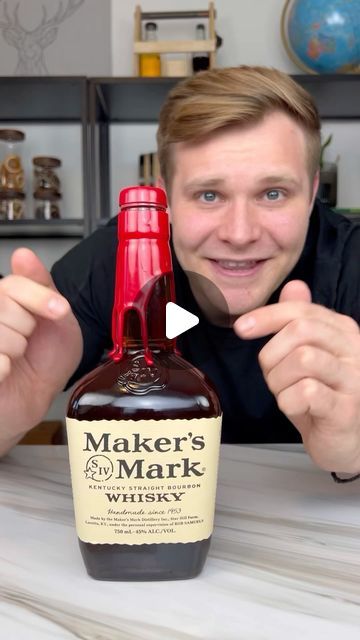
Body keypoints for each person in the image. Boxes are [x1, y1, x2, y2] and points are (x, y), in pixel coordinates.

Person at [0, 66, 359, 478]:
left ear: (313, 193)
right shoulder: (126, 254)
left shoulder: (351, 262)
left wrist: (354, 451)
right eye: (209, 194)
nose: (239, 234)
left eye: (273, 193)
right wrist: (7, 415)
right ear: (164, 198)